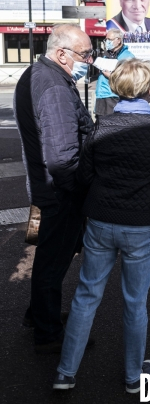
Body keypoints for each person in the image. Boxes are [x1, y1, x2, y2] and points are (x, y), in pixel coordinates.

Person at [53, 59, 150, 393]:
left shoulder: (101, 127)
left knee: (86, 295)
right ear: (149, 91)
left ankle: (66, 373)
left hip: (100, 222)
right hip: (140, 225)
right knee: (135, 302)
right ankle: (134, 377)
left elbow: (84, 176)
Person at [14, 23, 95, 353]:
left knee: (53, 257)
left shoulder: (40, 74)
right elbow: (62, 159)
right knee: (52, 261)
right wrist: (80, 189)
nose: (90, 60)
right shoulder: (56, 88)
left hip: (47, 188)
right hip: (61, 193)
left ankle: (39, 314)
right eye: (85, 54)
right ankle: (47, 333)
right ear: (62, 54)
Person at [95, 28, 134, 118]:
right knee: (100, 124)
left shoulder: (127, 57)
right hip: (101, 95)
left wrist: (111, 76)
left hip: (114, 96)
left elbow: (129, 78)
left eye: (109, 39)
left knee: (111, 125)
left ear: (118, 40)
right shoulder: (106, 55)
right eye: (106, 39)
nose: (107, 42)